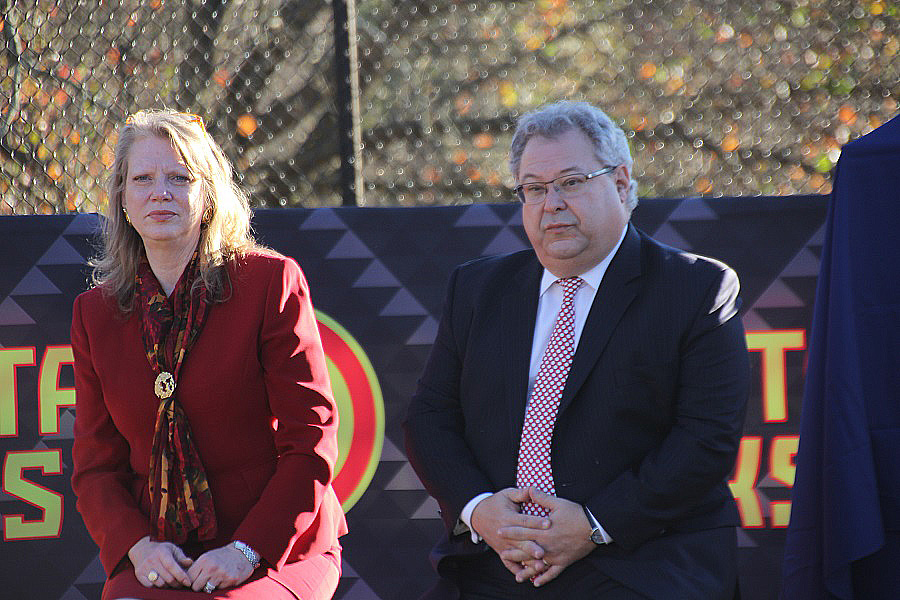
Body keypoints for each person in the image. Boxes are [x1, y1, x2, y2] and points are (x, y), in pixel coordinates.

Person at [404, 101, 749, 599]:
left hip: (641, 559)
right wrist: (480, 509)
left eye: (571, 182)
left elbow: (706, 438)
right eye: (535, 189)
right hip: (498, 560)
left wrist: (593, 524)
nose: (552, 204)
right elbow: (430, 416)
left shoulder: (696, 288)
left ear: (622, 184)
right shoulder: (479, 289)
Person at [71, 109, 346, 599]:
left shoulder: (270, 283)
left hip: (276, 548)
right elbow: (96, 466)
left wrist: (246, 551)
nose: (161, 192)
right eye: (143, 179)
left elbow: (311, 440)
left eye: (180, 177)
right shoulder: (95, 314)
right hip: (162, 553)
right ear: (122, 199)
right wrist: (136, 547)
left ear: (208, 196)